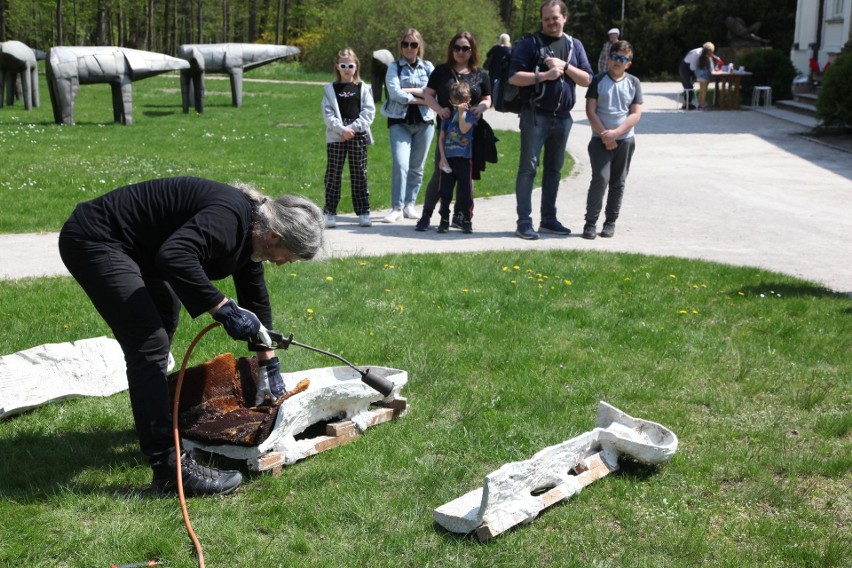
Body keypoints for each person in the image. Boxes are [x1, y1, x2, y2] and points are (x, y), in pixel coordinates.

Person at [57, 176, 325, 496]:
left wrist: (267, 359)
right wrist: (223, 309)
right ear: (273, 236)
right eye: (287, 256)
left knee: (164, 313)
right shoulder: (230, 221)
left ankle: (155, 419)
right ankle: (170, 469)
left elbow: (255, 297)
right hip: (96, 239)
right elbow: (174, 257)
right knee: (149, 342)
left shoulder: (252, 233)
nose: (283, 264)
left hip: (135, 248)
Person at [508, 0, 594, 240]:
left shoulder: (574, 45)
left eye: (555, 18)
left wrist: (565, 66)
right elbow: (513, 77)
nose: (551, 22)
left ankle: (548, 219)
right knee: (528, 168)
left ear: (564, 17)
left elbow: (588, 79)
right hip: (535, 115)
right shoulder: (529, 43)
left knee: (554, 170)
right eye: (546, 19)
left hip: (563, 118)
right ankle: (524, 222)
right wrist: (545, 75)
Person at [419, 31, 491, 231]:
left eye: (465, 48)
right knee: (440, 172)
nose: (461, 52)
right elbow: (428, 95)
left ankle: (461, 215)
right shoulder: (441, 71)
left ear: (472, 50)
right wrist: (439, 109)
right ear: (451, 49)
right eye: (457, 47)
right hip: (447, 130)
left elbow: (487, 98)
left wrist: (480, 108)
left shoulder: (480, 74)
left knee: (467, 176)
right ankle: (427, 214)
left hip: (471, 131)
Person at [582, 40, 643, 240]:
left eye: (623, 59)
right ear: (609, 59)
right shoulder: (598, 80)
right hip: (599, 139)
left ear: (628, 63)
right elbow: (590, 110)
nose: (618, 61)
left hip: (624, 140)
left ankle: (610, 222)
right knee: (600, 178)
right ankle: (590, 222)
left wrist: (617, 133)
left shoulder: (634, 83)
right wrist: (604, 135)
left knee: (618, 182)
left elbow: (635, 114)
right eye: (615, 57)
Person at [381, 29, 435, 223]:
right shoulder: (394, 67)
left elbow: (434, 92)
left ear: (419, 46)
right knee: (400, 164)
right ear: (401, 46)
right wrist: (422, 99)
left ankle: (409, 205)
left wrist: (411, 91)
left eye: (413, 44)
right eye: (405, 44)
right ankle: (396, 207)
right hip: (399, 121)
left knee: (417, 167)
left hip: (425, 122)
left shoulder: (428, 67)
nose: (409, 48)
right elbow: (394, 93)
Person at [321, 47, 375, 229]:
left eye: (350, 65)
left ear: (356, 66)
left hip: (357, 135)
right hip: (337, 136)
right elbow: (328, 114)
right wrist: (341, 129)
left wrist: (352, 128)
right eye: (343, 65)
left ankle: (363, 211)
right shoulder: (331, 89)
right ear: (337, 66)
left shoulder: (363, 88)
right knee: (333, 174)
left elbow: (369, 112)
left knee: (359, 174)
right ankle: (329, 212)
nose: (346, 69)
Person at [432, 82, 477, 233]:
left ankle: (466, 219)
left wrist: (462, 112)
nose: (459, 104)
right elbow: (442, 138)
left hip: (464, 159)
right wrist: (442, 158)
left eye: (463, 101)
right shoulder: (448, 116)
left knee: (465, 191)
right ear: (451, 101)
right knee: (445, 191)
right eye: (456, 102)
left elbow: (464, 129)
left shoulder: (470, 115)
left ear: (469, 99)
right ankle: (444, 218)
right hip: (449, 159)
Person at [679, 41, 715, 110]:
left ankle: (688, 103)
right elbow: (692, 66)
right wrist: (698, 74)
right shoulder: (697, 53)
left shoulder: (702, 53)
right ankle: (686, 103)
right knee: (688, 85)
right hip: (685, 67)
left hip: (691, 67)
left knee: (690, 85)